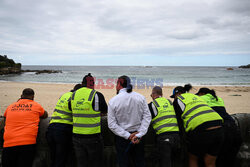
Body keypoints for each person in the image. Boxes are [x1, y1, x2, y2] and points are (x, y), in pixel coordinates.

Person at [170, 84, 224, 167]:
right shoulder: (196, 97)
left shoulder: (178, 100)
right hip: (219, 126)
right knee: (210, 162)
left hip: (201, 129)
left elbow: (178, 122)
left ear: (177, 94)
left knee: (193, 158)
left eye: (174, 96)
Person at [108, 75, 151, 167]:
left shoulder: (113, 101)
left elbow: (111, 124)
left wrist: (128, 136)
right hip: (138, 136)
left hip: (122, 137)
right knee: (139, 162)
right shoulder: (141, 97)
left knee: (123, 163)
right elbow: (147, 117)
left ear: (119, 84)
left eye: (116, 84)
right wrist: (139, 134)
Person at [196, 88, 242, 167]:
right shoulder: (219, 99)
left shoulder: (200, 98)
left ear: (202, 93)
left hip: (220, 128)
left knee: (215, 159)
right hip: (234, 128)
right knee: (229, 160)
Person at [2, 88, 48, 167]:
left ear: (21, 96)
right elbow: (45, 115)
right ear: (33, 97)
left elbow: (5, 117)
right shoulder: (36, 106)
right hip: (27, 142)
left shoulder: (10, 107)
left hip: (9, 142)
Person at [70, 73, 108, 167]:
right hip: (93, 136)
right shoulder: (96, 95)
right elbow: (105, 111)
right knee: (96, 162)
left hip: (76, 135)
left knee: (81, 163)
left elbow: (71, 109)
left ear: (82, 83)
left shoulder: (73, 95)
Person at [46, 83, 82, 167]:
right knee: (61, 158)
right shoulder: (75, 97)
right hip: (63, 129)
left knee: (53, 158)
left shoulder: (64, 95)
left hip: (51, 127)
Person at [148, 86, 180, 167]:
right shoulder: (169, 102)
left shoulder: (152, 104)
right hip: (176, 137)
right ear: (161, 94)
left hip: (164, 137)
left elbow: (146, 120)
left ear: (153, 94)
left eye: (151, 95)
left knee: (165, 162)